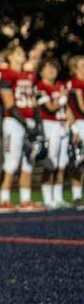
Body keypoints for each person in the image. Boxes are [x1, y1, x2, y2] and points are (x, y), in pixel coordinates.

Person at [0, 42, 38, 210]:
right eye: (19, 52)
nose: (23, 55)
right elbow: (9, 103)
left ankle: (25, 199)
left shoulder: (28, 75)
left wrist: (36, 123)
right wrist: (25, 123)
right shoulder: (6, 74)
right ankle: (4, 198)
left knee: (29, 160)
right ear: (10, 56)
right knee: (11, 161)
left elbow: (33, 102)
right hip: (14, 121)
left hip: (28, 121)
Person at [35, 57, 70, 209]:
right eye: (48, 68)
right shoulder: (40, 87)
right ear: (41, 71)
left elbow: (68, 109)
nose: (51, 71)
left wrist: (71, 124)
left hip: (63, 125)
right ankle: (48, 198)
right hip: (49, 124)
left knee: (62, 163)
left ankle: (58, 197)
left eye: (54, 67)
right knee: (51, 163)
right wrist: (61, 99)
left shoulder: (60, 85)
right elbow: (49, 108)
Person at [67, 56, 84, 206]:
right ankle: (77, 195)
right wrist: (73, 129)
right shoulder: (73, 84)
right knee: (79, 161)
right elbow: (79, 108)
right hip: (80, 123)